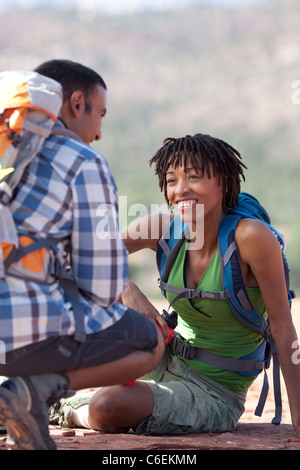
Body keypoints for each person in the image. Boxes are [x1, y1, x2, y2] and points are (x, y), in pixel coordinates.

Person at [50, 132, 300, 439]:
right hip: (160, 356)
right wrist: (125, 287)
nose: (181, 190)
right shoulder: (162, 229)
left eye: (193, 177)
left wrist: (299, 416)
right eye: (171, 180)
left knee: (109, 405)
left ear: (223, 181)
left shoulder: (250, 237)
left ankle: (64, 407)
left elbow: (283, 327)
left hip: (214, 391)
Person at [0, 60, 165, 450]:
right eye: (100, 114)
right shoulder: (81, 161)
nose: (100, 132)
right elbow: (103, 286)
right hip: (18, 339)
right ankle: (31, 391)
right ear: (76, 103)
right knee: (147, 341)